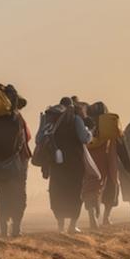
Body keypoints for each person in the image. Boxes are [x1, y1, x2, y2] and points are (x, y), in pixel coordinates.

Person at [0, 85, 31, 238]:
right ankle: (16, 228)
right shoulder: (17, 118)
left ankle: (3, 229)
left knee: (1, 195)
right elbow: (27, 137)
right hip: (18, 163)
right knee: (18, 195)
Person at [83, 102, 130, 229]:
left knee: (91, 189)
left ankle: (92, 216)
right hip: (108, 163)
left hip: (90, 163)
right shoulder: (111, 127)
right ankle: (106, 217)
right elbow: (122, 148)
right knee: (111, 189)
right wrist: (129, 167)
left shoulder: (85, 126)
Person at [46, 98, 93, 234]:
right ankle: (72, 225)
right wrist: (89, 132)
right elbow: (84, 138)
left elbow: (40, 138)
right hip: (74, 163)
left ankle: (60, 226)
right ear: (72, 107)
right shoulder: (76, 119)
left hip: (56, 162)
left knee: (58, 192)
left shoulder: (52, 118)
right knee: (75, 192)